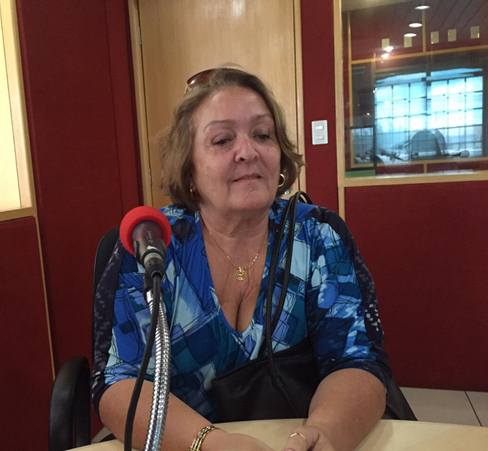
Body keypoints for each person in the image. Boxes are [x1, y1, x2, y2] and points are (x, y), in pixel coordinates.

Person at [91, 67, 390, 451]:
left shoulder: (318, 236)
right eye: (222, 140)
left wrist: (324, 435)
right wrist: (209, 443)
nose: (248, 151)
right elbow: (119, 382)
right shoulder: (151, 243)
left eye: (263, 135)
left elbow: (357, 360)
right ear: (189, 167)